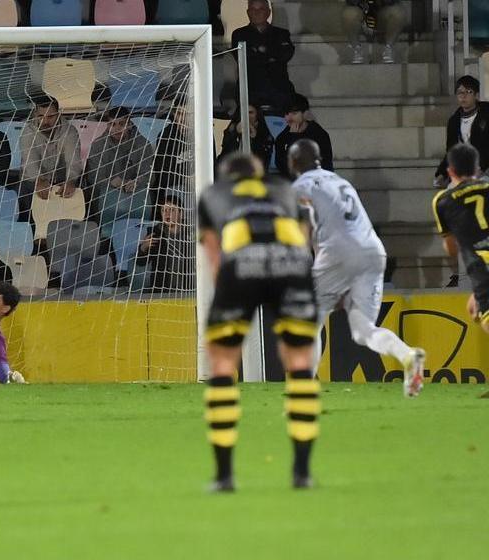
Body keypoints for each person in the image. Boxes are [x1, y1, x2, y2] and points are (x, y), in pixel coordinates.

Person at [199, 152, 319, 492]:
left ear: (226, 178)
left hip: (241, 268)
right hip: (293, 267)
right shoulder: (286, 189)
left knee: (222, 365)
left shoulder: (213, 195)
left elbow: (215, 257)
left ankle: (224, 477)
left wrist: (231, 296)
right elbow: (305, 237)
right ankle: (302, 473)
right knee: (298, 365)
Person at [289, 139, 426, 396]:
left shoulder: (301, 186)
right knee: (363, 331)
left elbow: (305, 228)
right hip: (373, 252)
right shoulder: (341, 182)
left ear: (294, 162)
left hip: (339, 253)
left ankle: (304, 388)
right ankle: (408, 356)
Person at [432, 143, 489, 335]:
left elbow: (451, 249)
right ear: (477, 169)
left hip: (482, 267)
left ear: (450, 172)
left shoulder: (443, 201)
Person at [84, 106, 154, 227]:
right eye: (112, 124)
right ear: (107, 126)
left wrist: (137, 182)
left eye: (121, 124)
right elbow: (93, 176)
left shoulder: (143, 144)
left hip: (135, 196)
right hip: (106, 198)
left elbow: (150, 175)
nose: (117, 129)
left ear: (130, 125)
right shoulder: (98, 145)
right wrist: (111, 182)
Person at [19, 96, 82, 222]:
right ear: (35, 114)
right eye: (41, 116)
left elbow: (73, 160)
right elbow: (30, 162)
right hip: (32, 182)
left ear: (58, 115)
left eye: (50, 117)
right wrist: (39, 180)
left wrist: (70, 180)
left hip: (61, 181)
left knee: (66, 214)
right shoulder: (28, 132)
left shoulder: (69, 132)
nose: (45, 121)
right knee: (33, 215)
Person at [229, 0, 296, 113]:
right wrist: (271, 55)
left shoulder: (281, 34)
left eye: (261, 9)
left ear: (268, 12)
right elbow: (244, 58)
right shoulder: (239, 34)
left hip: (279, 90)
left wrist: (259, 51)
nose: (257, 13)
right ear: (248, 12)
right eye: (253, 10)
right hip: (250, 90)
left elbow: (285, 55)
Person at [435, 76, 489, 189]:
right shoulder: (454, 121)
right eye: (460, 92)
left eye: (469, 92)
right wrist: (442, 173)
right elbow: (452, 150)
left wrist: (483, 168)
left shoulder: (486, 113)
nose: (463, 96)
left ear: (476, 95)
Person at [138, 194, 193, 292]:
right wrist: (143, 247)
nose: (167, 214)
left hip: (188, 291)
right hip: (161, 292)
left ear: (181, 213)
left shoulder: (192, 233)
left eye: (171, 210)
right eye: (164, 210)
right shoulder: (156, 233)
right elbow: (140, 262)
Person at [274, 94, 333, 176]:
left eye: (294, 113)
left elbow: (326, 164)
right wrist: (293, 137)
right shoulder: (282, 138)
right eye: (286, 114)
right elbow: (283, 166)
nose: (289, 118)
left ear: (305, 114)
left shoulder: (319, 134)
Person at [343, 0, 409, 64]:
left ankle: (388, 48)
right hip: (361, 11)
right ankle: (356, 48)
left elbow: (391, 2)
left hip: (383, 11)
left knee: (398, 13)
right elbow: (351, 2)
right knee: (349, 14)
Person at [220, 104, 274, 171]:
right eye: (243, 112)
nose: (247, 116)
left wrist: (255, 138)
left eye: (250, 112)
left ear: (257, 116)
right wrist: (235, 134)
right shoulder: (231, 130)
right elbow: (226, 153)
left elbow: (265, 158)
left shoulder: (264, 134)